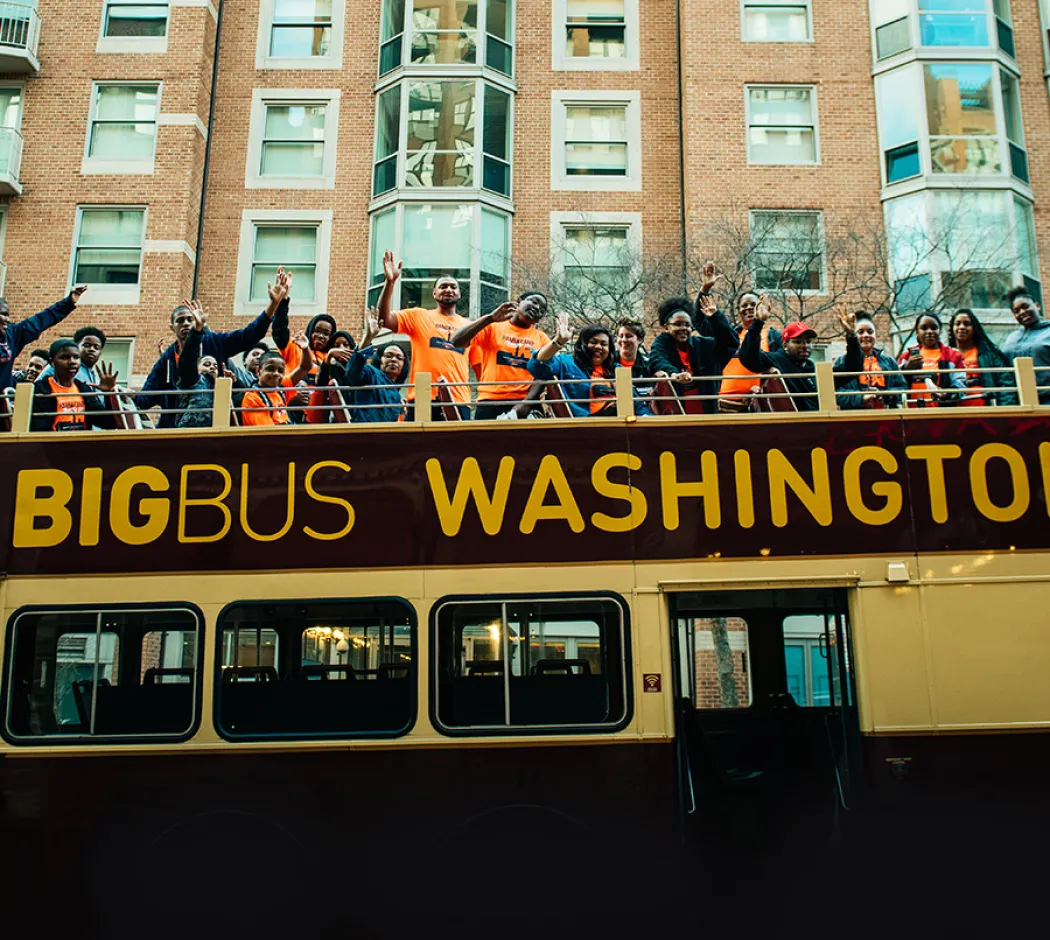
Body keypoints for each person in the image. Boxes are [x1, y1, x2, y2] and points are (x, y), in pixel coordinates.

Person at [136, 270, 288, 428]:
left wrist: (273, 304)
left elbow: (250, 335)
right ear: (172, 327)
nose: (187, 323)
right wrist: (117, 392)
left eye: (191, 319)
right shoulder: (167, 359)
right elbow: (146, 397)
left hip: (216, 424)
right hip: (174, 430)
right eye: (180, 321)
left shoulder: (215, 342)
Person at [376, 250, 472, 420]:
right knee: (419, 447)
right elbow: (384, 319)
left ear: (459, 293)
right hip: (422, 397)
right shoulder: (419, 316)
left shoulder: (470, 326)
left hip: (459, 399)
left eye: (453, 287)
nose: (448, 289)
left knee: (456, 447)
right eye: (443, 286)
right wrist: (390, 282)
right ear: (434, 294)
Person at [739, 297, 862, 411]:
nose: (804, 345)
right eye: (798, 341)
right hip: (786, 426)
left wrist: (851, 336)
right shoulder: (776, 360)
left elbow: (853, 367)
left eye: (808, 342)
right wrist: (758, 322)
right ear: (785, 345)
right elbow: (748, 358)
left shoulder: (814, 369)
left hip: (815, 426)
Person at [450, 292, 551, 420]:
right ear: (519, 301)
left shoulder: (542, 339)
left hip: (524, 404)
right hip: (490, 401)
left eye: (542, 309)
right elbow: (456, 341)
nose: (537, 308)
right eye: (534, 302)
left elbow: (544, 374)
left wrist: (527, 404)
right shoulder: (492, 327)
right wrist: (490, 318)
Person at [648, 294, 739, 415]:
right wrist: (673, 373)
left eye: (687, 325)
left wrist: (716, 317)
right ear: (666, 327)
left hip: (706, 412)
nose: (683, 328)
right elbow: (657, 359)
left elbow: (731, 343)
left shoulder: (704, 345)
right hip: (675, 414)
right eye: (678, 324)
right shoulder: (662, 342)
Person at [0, 286, 87, 395]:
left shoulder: (12, 334)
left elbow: (40, 321)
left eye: (8, 315)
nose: (8, 320)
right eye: (3, 314)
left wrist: (67, 303)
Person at [528, 315, 617, 417]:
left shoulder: (616, 369)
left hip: (617, 424)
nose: (598, 347)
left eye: (603, 344)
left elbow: (636, 405)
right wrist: (558, 341)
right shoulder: (567, 363)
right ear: (582, 344)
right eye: (593, 342)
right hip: (583, 425)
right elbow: (537, 366)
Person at [30, 338, 120, 432]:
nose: (72, 362)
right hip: (52, 445)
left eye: (76, 357)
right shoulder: (40, 389)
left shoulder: (83, 389)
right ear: (52, 362)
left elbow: (108, 423)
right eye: (65, 357)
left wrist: (109, 394)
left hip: (80, 445)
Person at [835, 313, 908, 410]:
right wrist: (862, 397)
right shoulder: (842, 362)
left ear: (875, 335)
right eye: (860, 332)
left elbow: (902, 387)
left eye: (870, 332)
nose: (866, 335)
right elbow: (836, 393)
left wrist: (884, 395)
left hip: (886, 415)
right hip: (854, 417)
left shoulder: (889, 361)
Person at [948, 308, 1016, 407]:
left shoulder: (989, 354)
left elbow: (1005, 382)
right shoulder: (947, 355)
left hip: (986, 409)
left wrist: (1006, 409)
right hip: (955, 411)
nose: (962, 327)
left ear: (974, 328)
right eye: (957, 324)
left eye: (967, 324)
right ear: (952, 328)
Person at [328, 341, 408, 424]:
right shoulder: (371, 373)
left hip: (386, 434)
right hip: (364, 431)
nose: (394, 360)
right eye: (388, 356)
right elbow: (353, 373)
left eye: (399, 358)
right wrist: (367, 338)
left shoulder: (397, 396)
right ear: (379, 359)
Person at [898, 312, 967, 408]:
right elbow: (895, 383)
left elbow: (960, 384)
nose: (929, 331)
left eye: (934, 328)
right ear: (917, 332)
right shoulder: (906, 356)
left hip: (942, 412)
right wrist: (905, 369)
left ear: (940, 331)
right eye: (924, 328)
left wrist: (946, 394)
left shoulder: (953, 355)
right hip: (911, 412)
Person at [239, 347, 315, 427]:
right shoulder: (252, 398)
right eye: (270, 369)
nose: (276, 374)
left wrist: (305, 348)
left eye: (280, 371)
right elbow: (267, 433)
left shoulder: (280, 388)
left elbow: (305, 367)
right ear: (258, 371)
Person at [1001, 287, 1050, 404]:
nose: (1022, 312)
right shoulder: (1012, 337)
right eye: (1017, 311)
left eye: (1025, 306)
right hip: (1016, 400)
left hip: (1046, 398)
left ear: (1037, 306)